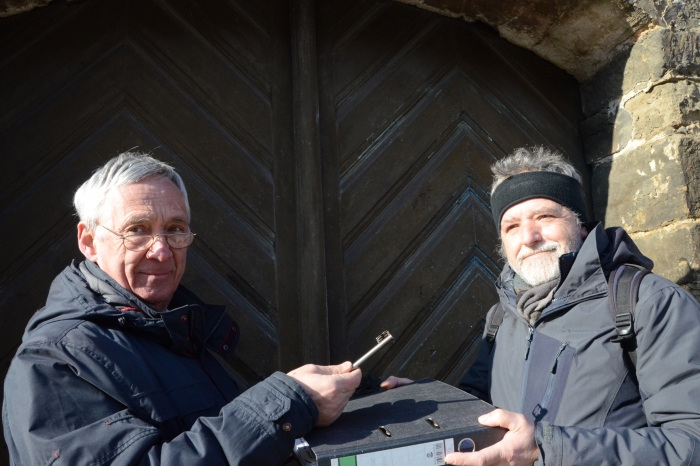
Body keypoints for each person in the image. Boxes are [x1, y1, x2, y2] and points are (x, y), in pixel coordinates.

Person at [2, 152, 362, 465]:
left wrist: (350, 395)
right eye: (137, 230)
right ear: (89, 241)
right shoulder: (52, 364)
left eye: (175, 229)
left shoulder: (174, 329)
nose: (161, 250)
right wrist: (287, 404)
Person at [447, 147, 700, 466]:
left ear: (580, 224)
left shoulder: (650, 302)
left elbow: (692, 442)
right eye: (511, 226)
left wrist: (547, 448)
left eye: (545, 217)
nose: (529, 237)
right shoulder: (501, 318)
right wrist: (414, 402)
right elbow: (474, 409)